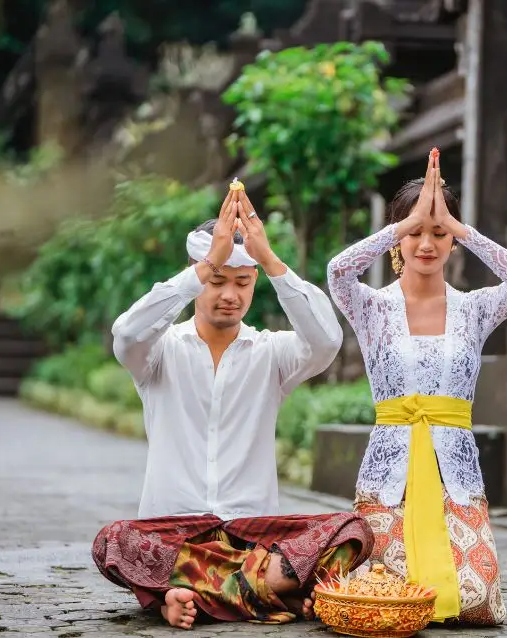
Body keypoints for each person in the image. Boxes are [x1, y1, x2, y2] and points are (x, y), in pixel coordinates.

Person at [91, 183, 374, 629]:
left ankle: (180, 596)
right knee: (114, 542)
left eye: (242, 282)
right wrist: (206, 265)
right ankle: (264, 592)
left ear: (255, 282)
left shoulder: (272, 353)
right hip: (173, 532)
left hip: (252, 533)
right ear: (197, 275)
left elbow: (327, 341)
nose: (230, 294)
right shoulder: (159, 353)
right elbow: (125, 334)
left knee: (352, 531)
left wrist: (272, 261)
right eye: (217, 280)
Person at [326, 149, 507, 626]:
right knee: (385, 603)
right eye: (415, 232)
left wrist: (461, 228)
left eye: (438, 233)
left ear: (453, 242)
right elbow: (338, 271)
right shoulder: (371, 308)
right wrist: (403, 223)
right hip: (390, 471)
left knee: (475, 603)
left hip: (455, 472)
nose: (426, 243)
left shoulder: (475, 309)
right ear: (398, 240)